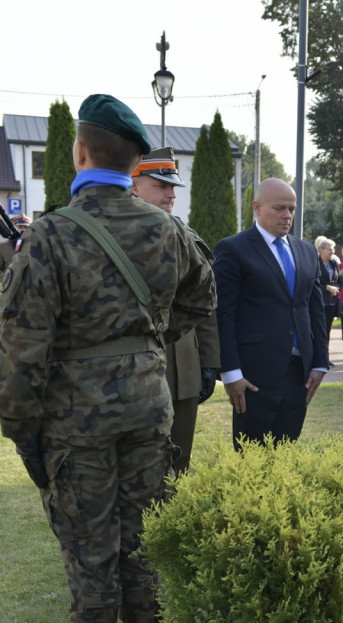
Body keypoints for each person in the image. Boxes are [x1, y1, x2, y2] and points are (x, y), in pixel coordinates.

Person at [0, 94, 216, 623]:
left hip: (76, 425)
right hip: (149, 412)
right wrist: (147, 344)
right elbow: (201, 299)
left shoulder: (47, 238)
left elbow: (19, 362)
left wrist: (25, 440)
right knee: (141, 560)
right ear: (132, 163)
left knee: (92, 569)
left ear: (78, 152)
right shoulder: (170, 231)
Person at [213, 178, 329, 450]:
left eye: (291, 209)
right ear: (257, 207)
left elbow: (316, 310)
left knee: (287, 455)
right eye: (279, 208)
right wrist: (230, 373)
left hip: (299, 375)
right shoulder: (233, 249)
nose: (287, 215)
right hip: (253, 377)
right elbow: (223, 315)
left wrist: (320, 363)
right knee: (251, 460)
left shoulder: (305, 251)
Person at [131, 146, 220, 474]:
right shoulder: (117, 236)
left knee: (179, 458)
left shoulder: (186, 235)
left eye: (173, 186)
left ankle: (171, 523)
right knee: (140, 464)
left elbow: (206, 306)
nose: (170, 193)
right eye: (160, 185)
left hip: (183, 365)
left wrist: (210, 362)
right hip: (132, 365)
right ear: (134, 184)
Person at [314, 236, 341, 364]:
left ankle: (325, 357)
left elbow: (339, 280)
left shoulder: (334, 263)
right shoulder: (315, 263)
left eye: (333, 249)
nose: (332, 251)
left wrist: (336, 287)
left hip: (332, 302)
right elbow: (312, 282)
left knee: (328, 330)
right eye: (329, 249)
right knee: (319, 330)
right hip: (319, 302)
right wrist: (326, 287)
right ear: (321, 250)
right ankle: (316, 357)